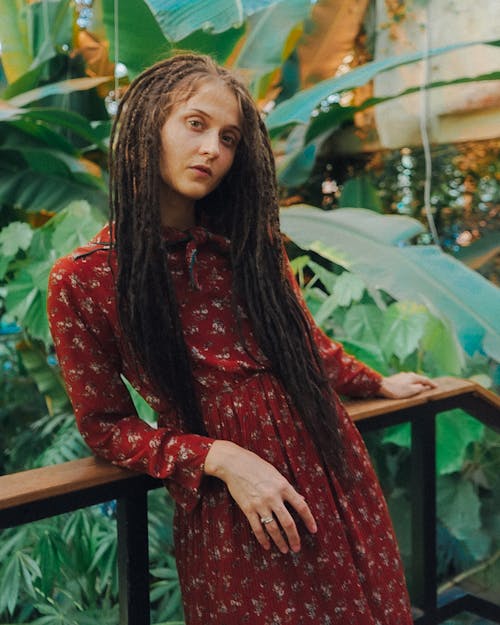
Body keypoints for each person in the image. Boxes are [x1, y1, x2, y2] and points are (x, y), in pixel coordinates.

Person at [47, 54, 436, 625]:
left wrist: (377, 382)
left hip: (331, 466)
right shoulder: (84, 279)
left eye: (229, 138)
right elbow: (104, 425)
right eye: (196, 124)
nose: (212, 150)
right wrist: (219, 457)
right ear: (148, 122)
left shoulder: (248, 247)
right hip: (236, 507)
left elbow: (305, 346)